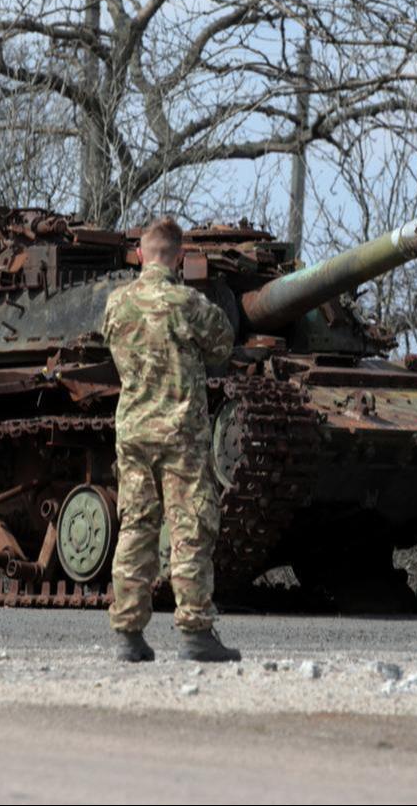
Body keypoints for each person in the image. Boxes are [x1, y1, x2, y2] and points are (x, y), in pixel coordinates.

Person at [103, 217, 241, 663]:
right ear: (180, 257)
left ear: (141, 254)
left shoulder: (117, 304)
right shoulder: (188, 303)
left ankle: (128, 635)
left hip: (134, 433)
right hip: (181, 434)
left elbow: (112, 345)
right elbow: (222, 343)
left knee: (136, 528)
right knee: (189, 529)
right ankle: (196, 633)